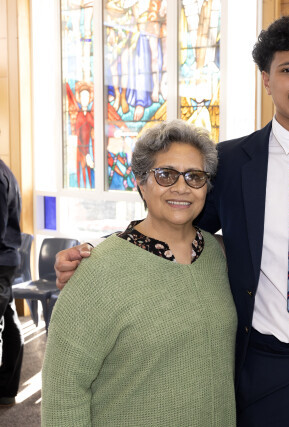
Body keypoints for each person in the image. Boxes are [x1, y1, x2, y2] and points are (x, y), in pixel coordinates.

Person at [54, 11, 289, 427]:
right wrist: (100, 255)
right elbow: (177, 224)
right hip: (262, 366)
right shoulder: (230, 162)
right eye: (288, 69)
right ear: (267, 80)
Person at [42, 120, 237, 426]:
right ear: (141, 182)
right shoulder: (97, 270)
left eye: (194, 176)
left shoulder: (218, 255)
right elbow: (63, 389)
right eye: (165, 174)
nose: (181, 187)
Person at [0, 159, 23, 408]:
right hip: (6, 259)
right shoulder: (4, 170)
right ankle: (6, 388)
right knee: (8, 319)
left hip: (1, 261)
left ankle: (6, 387)